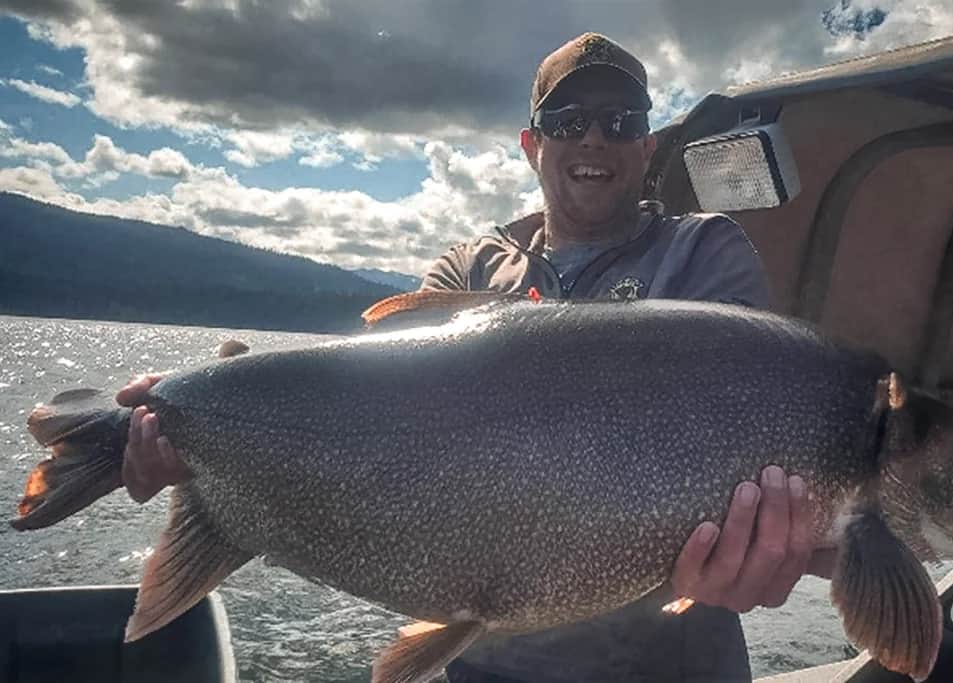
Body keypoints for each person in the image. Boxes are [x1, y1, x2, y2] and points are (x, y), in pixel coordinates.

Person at [116, 32, 835, 683]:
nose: (594, 137)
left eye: (621, 121)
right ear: (531, 144)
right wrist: (209, 423)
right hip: (488, 662)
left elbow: (756, 436)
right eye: (566, 121)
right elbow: (358, 417)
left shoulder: (703, 251)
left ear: (647, 148)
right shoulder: (467, 267)